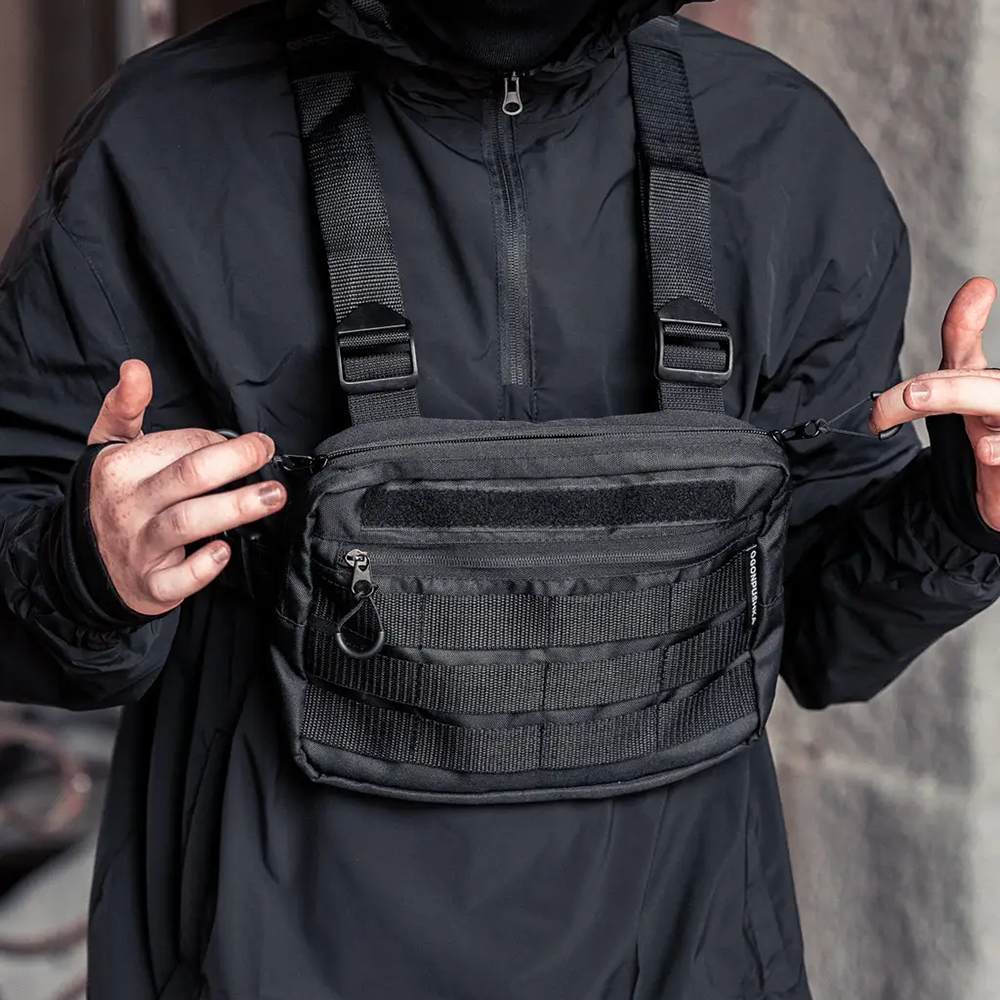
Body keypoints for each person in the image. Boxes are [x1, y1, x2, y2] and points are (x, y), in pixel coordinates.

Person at [1, 1, 999, 997]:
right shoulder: (163, 140)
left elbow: (822, 635)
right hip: (259, 950)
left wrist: (968, 513)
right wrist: (84, 562)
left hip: (683, 953)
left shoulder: (776, 142)